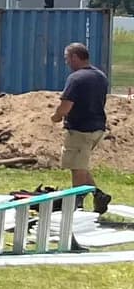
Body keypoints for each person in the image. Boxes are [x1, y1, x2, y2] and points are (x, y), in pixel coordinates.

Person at [53, 43, 113, 213]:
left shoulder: (76, 78)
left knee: (77, 169)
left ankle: (77, 204)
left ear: (74, 57)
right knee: (79, 165)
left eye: (67, 59)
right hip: (98, 128)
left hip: (80, 130)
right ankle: (99, 195)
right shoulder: (100, 76)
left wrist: (55, 117)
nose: (67, 63)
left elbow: (65, 107)